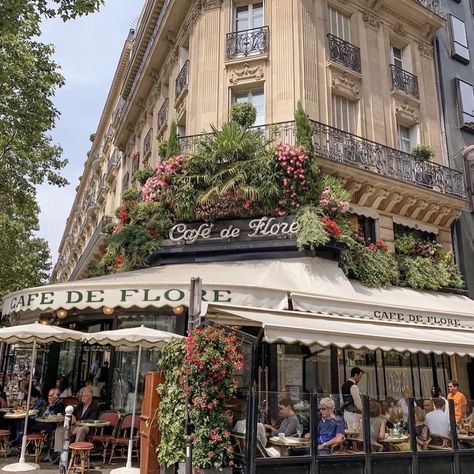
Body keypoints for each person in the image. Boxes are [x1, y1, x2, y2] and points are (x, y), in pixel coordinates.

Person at [53, 387, 100, 456]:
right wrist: (72, 416)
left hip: (87, 426)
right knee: (59, 429)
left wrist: (79, 425)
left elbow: (91, 420)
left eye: (85, 396)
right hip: (75, 425)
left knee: (81, 429)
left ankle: (76, 453)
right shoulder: (80, 405)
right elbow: (71, 413)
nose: (83, 398)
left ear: (90, 397)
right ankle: (59, 453)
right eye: (82, 396)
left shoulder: (94, 407)